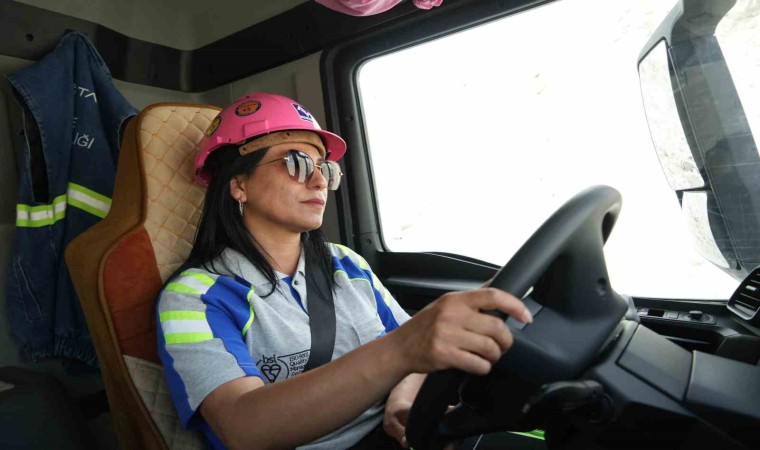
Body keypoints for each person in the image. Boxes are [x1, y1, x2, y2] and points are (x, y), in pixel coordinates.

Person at [156, 92, 532, 449]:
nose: (320, 181)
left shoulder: (346, 264)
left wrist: (403, 404)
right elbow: (242, 429)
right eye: (296, 163)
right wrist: (400, 350)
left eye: (325, 168)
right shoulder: (193, 297)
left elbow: (417, 352)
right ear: (239, 184)